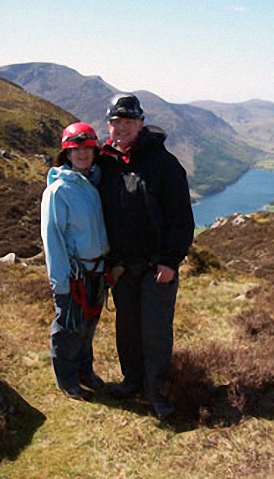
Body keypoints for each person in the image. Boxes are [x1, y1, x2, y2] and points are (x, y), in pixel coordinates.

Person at [98, 93, 194, 419]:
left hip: (157, 268)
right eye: (116, 122)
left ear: (140, 124)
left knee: (155, 332)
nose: (121, 127)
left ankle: (158, 392)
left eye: (128, 121)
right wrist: (110, 263)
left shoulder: (163, 165)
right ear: (109, 126)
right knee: (126, 328)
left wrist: (170, 261)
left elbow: (181, 219)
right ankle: (132, 381)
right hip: (123, 267)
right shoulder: (107, 162)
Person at [41, 122, 109, 401]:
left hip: (97, 270)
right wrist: (61, 283)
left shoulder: (94, 184)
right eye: (76, 150)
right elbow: (53, 239)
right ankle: (67, 380)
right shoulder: (58, 191)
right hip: (74, 274)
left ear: (94, 152)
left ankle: (85, 372)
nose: (82, 155)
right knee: (69, 327)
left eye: (87, 150)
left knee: (88, 325)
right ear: (67, 154)